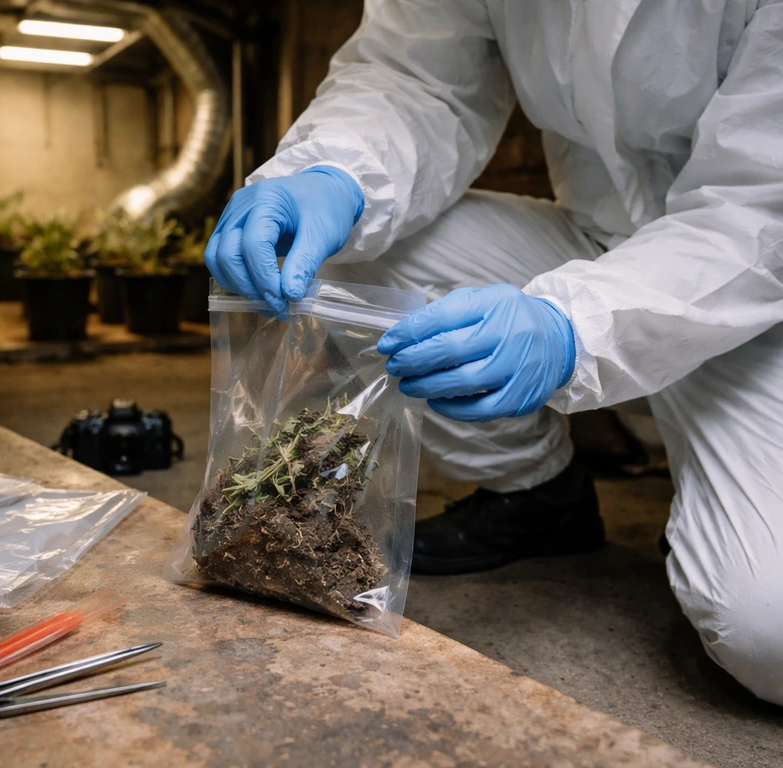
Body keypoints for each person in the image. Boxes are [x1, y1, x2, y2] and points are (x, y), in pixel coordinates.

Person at [203, 1, 783, 705]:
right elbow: (419, 78)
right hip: (603, 237)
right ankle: (536, 495)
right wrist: (332, 174)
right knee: (333, 256)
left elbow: (759, 208)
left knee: (767, 633)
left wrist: (573, 325)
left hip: (760, 297)